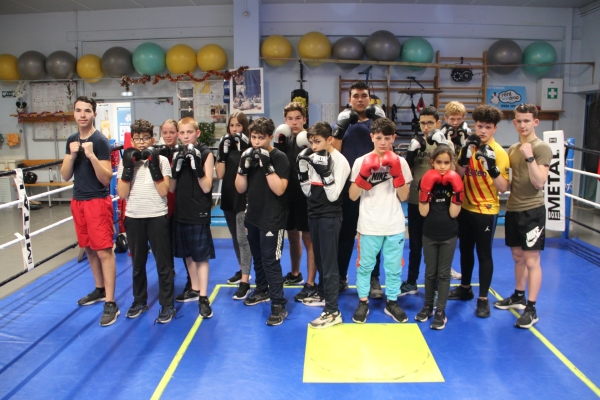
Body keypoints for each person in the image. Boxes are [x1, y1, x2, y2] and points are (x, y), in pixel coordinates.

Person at [60, 96, 118, 327]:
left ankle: (111, 302)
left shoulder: (100, 141)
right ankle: (99, 289)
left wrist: (92, 155)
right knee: (90, 250)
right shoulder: (71, 140)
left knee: (104, 251)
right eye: (78, 111)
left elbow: (105, 179)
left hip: (96, 201)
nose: (82, 115)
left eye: (87, 111)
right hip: (78, 202)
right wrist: (73, 154)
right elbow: (65, 175)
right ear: (73, 114)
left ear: (94, 113)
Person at [348, 118, 412, 323]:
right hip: (368, 224)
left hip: (394, 224)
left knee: (394, 267)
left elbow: (404, 196)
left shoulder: (400, 162)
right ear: (372, 137)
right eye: (378, 138)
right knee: (365, 266)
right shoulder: (361, 161)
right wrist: (363, 177)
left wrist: (397, 176)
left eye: (387, 138)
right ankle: (363, 302)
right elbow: (352, 195)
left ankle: (392, 301)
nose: (382, 142)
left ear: (393, 138)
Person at [448, 104, 510, 318]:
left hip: (487, 210)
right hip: (465, 207)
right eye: (480, 126)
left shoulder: (500, 153)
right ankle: (465, 288)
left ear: (495, 129)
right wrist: (464, 157)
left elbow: (503, 187)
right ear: (475, 126)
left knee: (484, 254)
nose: (483, 131)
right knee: (465, 250)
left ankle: (483, 299)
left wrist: (491, 166)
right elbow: (459, 174)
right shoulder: (470, 146)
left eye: (488, 127)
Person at [494, 103, 552, 329]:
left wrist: (530, 158)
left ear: (535, 122)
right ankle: (518, 296)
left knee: (531, 260)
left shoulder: (541, 148)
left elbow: (539, 182)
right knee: (517, 257)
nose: (522, 124)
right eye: (518, 120)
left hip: (532, 211)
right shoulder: (513, 148)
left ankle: (532, 308)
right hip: (513, 208)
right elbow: (506, 185)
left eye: (527, 120)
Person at [116, 119, 175, 323]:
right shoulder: (126, 161)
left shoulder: (162, 161)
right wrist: (127, 169)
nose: (141, 142)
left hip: (157, 215)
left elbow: (164, 191)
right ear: (132, 140)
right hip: (134, 217)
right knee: (138, 263)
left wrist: (153, 167)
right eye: (137, 138)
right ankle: (139, 300)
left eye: (145, 138)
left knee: (163, 263)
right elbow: (122, 194)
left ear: (152, 138)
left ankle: (167, 304)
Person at [332, 81, 386, 298]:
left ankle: (374, 279)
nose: (360, 99)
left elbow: (386, 149)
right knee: (345, 235)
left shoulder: (376, 123)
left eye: (364, 95)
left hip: (374, 189)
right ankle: (341, 277)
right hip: (349, 188)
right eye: (356, 96)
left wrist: (382, 122)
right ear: (349, 99)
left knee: (373, 236)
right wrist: (340, 129)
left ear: (369, 98)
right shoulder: (343, 122)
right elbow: (334, 154)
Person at [235, 117, 290, 326]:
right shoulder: (248, 155)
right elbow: (240, 188)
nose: (256, 141)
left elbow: (280, 189)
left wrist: (267, 165)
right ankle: (262, 290)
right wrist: (242, 166)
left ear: (271, 137)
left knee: (270, 261)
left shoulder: (279, 157)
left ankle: (278, 304)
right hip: (253, 217)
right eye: (253, 137)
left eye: (261, 138)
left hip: (272, 220)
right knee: (258, 258)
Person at [298, 122, 351, 328]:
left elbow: (333, 194)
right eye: (311, 142)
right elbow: (308, 192)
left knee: (329, 264)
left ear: (330, 140)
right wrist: (303, 174)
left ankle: (332, 311)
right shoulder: (310, 156)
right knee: (319, 259)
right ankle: (323, 294)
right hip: (314, 214)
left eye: (318, 141)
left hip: (330, 216)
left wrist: (325, 173)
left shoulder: (340, 161)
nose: (314, 146)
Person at [400, 106, 456, 297]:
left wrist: (445, 146)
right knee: (415, 244)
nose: (425, 127)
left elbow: (453, 173)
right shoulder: (415, 142)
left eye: (430, 123)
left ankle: (440, 281)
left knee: (439, 242)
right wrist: (410, 154)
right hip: (417, 199)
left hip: (440, 202)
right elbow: (406, 171)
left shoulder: (445, 144)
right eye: (423, 123)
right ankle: (411, 281)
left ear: (438, 123)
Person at [169, 117, 215, 318]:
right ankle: (195, 288)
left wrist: (196, 166)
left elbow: (206, 186)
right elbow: (170, 188)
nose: (186, 136)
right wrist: (175, 169)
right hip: (181, 209)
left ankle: (204, 297)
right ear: (178, 134)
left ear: (197, 133)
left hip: (199, 210)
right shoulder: (176, 154)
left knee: (201, 256)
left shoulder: (206, 154)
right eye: (182, 133)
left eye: (190, 132)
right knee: (187, 253)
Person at [414, 146, 463, 330]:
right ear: (432, 162)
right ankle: (427, 306)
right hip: (429, 232)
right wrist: (426, 189)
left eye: (446, 163)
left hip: (449, 233)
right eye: (439, 162)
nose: (442, 166)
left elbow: (453, 213)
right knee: (429, 272)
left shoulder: (455, 181)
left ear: (452, 164)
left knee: (443, 274)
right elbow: (423, 211)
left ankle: (440, 311)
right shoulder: (425, 181)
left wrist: (456, 190)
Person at [275, 102, 316, 303]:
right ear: (285, 120)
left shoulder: (310, 139)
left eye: (297, 118)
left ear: (304, 119)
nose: (294, 122)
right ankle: (295, 273)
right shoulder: (282, 139)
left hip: (306, 196)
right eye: (290, 118)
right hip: (287, 195)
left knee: (308, 239)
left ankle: (310, 283)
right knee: (292, 236)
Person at [216, 111, 253, 300]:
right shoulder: (227, 146)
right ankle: (241, 270)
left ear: (244, 127)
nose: (235, 129)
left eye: (238, 125)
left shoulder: (250, 147)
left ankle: (246, 280)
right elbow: (220, 175)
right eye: (232, 126)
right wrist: (222, 154)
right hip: (229, 196)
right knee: (234, 237)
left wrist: (246, 147)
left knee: (242, 239)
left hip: (243, 197)